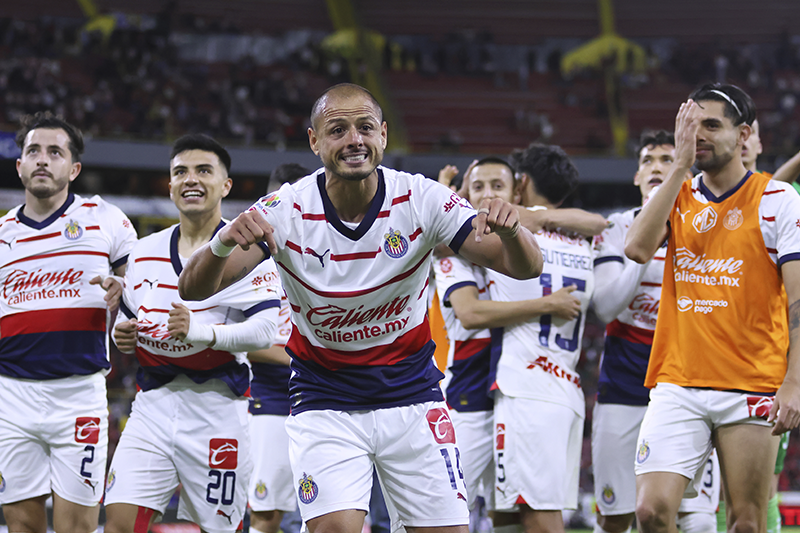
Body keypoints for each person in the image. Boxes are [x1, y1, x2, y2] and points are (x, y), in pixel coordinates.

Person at [178, 83, 543, 533]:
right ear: (315, 142)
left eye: (365, 127)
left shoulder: (422, 198)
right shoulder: (286, 209)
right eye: (337, 130)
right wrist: (222, 241)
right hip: (324, 400)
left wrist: (513, 233)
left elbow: (524, 267)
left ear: (384, 135)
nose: (354, 140)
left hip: (412, 395)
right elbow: (193, 290)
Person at [624, 83, 800, 533]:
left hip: (751, 381)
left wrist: (795, 382)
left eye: (711, 125)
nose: (697, 134)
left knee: (745, 522)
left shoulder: (778, 200)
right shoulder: (675, 195)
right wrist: (678, 165)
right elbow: (637, 248)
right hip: (677, 380)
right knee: (649, 511)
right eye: (690, 125)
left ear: (743, 135)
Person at [104, 134, 282, 533]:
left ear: (226, 185)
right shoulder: (143, 251)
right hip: (152, 406)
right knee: (118, 521)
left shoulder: (247, 253)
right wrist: (122, 334)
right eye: (180, 172)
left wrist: (201, 333)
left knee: (220, 529)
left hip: (218, 412)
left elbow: (265, 331)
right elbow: (129, 317)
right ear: (169, 186)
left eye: (204, 170)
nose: (191, 180)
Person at [433, 156, 604, 533]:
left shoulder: (521, 246)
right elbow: (470, 313)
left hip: (511, 391)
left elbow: (597, 223)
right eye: (478, 187)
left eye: (498, 186)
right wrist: (452, 196)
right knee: (440, 510)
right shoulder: (455, 255)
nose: (488, 195)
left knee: (508, 514)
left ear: (517, 192)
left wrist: (536, 218)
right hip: (466, 397)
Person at [0, 111, 136, 533]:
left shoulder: (105, 218)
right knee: (20, 525)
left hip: (78, 394)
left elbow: (147, 279)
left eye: (55, 152)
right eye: (33, 151)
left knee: (76, 527)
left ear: (73, 169)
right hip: (10, 396)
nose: (43, 159)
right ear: (19, 164)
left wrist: (125, 288)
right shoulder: (2, 233)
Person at [591, 130, 719, 533]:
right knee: (615, 519)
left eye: (668, 159)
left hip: (691, 385)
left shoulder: (708, 227)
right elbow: (606, 306)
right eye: (648, 160)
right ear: (636, 176)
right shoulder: (616, 227)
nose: (657, 168)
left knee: (695, 519)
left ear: (686, 172)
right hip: (624, 386)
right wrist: (644, 248)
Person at [247, 163, 311, 533]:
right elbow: (241, 341)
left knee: (326, 511)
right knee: (266, 513)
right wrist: (304, 359)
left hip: (324, 400)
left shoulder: (322, 255)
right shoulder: (249, 264)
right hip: (271, 401)